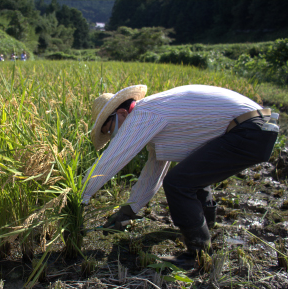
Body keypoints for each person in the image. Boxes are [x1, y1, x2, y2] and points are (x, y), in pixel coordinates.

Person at [83, 85, 278, 267]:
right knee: (190, 173)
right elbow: (154, 171)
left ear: (122, 113)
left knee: (178, 183)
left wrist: (80, 195)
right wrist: (129, 211)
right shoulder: (155, 114)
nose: (113, 136)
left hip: (249, 130)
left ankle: (198, 254)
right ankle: (205, 227)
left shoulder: (144, 114)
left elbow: (111, 159)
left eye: (110, 129)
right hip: (255, 127)